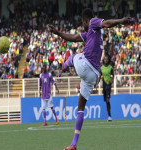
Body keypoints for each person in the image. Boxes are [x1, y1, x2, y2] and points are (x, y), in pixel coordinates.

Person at [49, 8, 133, 150]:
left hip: (85, 66)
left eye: (83, 23)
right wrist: (57, 33)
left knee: (73, 56)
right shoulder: (91, 34)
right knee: (80, 108)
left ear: (86, 20)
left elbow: (106, 23)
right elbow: (73, 37)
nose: (83, 25)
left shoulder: (94, 23)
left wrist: (121, 21)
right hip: (92, 76)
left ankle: (62, 67)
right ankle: (74, 144)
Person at [96, 55, 114, 121]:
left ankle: (109, 116)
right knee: (106, 101)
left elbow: (113, 76)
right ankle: (109, 115)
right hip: (104, 85)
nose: (106, 60)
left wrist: (111, 81)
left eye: (107, 59)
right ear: (103, 60)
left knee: (108, 100)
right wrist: (97, 84)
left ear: (108, 60)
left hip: (108, 85)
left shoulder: (110, 67)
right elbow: (100, 76)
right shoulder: (102, 68)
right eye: (105, 59)